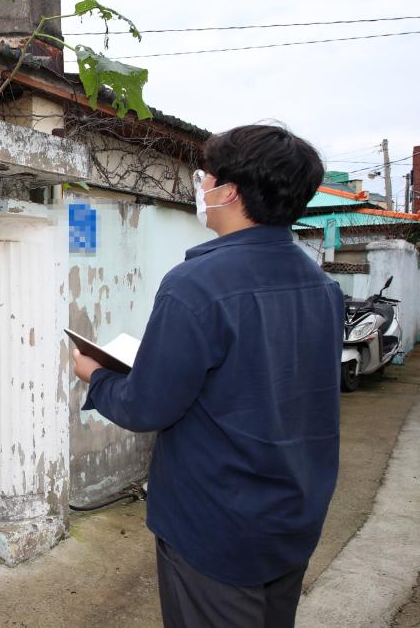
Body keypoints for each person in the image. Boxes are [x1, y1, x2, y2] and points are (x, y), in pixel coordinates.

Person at [73, 124, 343, 628]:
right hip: (295, 512)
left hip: (218, 522)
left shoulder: (194, 285)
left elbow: (147, 406)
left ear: (230, 191)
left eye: (206, 177)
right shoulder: (321, 286)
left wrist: (96, 374)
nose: (201, 187)